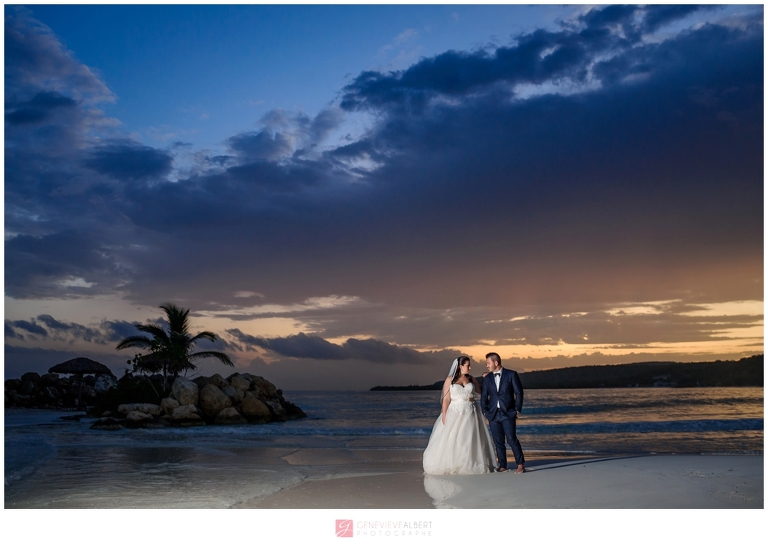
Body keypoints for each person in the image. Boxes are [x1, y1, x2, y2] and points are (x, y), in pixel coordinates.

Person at [423, 356, 497, 475]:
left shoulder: (471, 379)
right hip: (455, 412)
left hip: (471, 412)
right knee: (455, 438)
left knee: (470, 437)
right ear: (460, 366)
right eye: (468, 365)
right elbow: (446, 399)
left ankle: (471, 462)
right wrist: (444, 414)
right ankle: (455, 463)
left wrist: (489, 379)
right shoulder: (450, 380)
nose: (470, 367)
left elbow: (482, 391)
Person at [480, 352, 526, 473]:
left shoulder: (511, 374)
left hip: (508, 413)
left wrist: (517, 409)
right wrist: (485, 411)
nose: (486, 365)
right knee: (498, 441)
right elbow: (484, 396)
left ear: (496, 363)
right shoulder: (487, 378)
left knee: (511, 439)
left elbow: (519, 393)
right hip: (493, 414)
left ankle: (520, 464)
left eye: (488, 363)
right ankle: (502, 465)